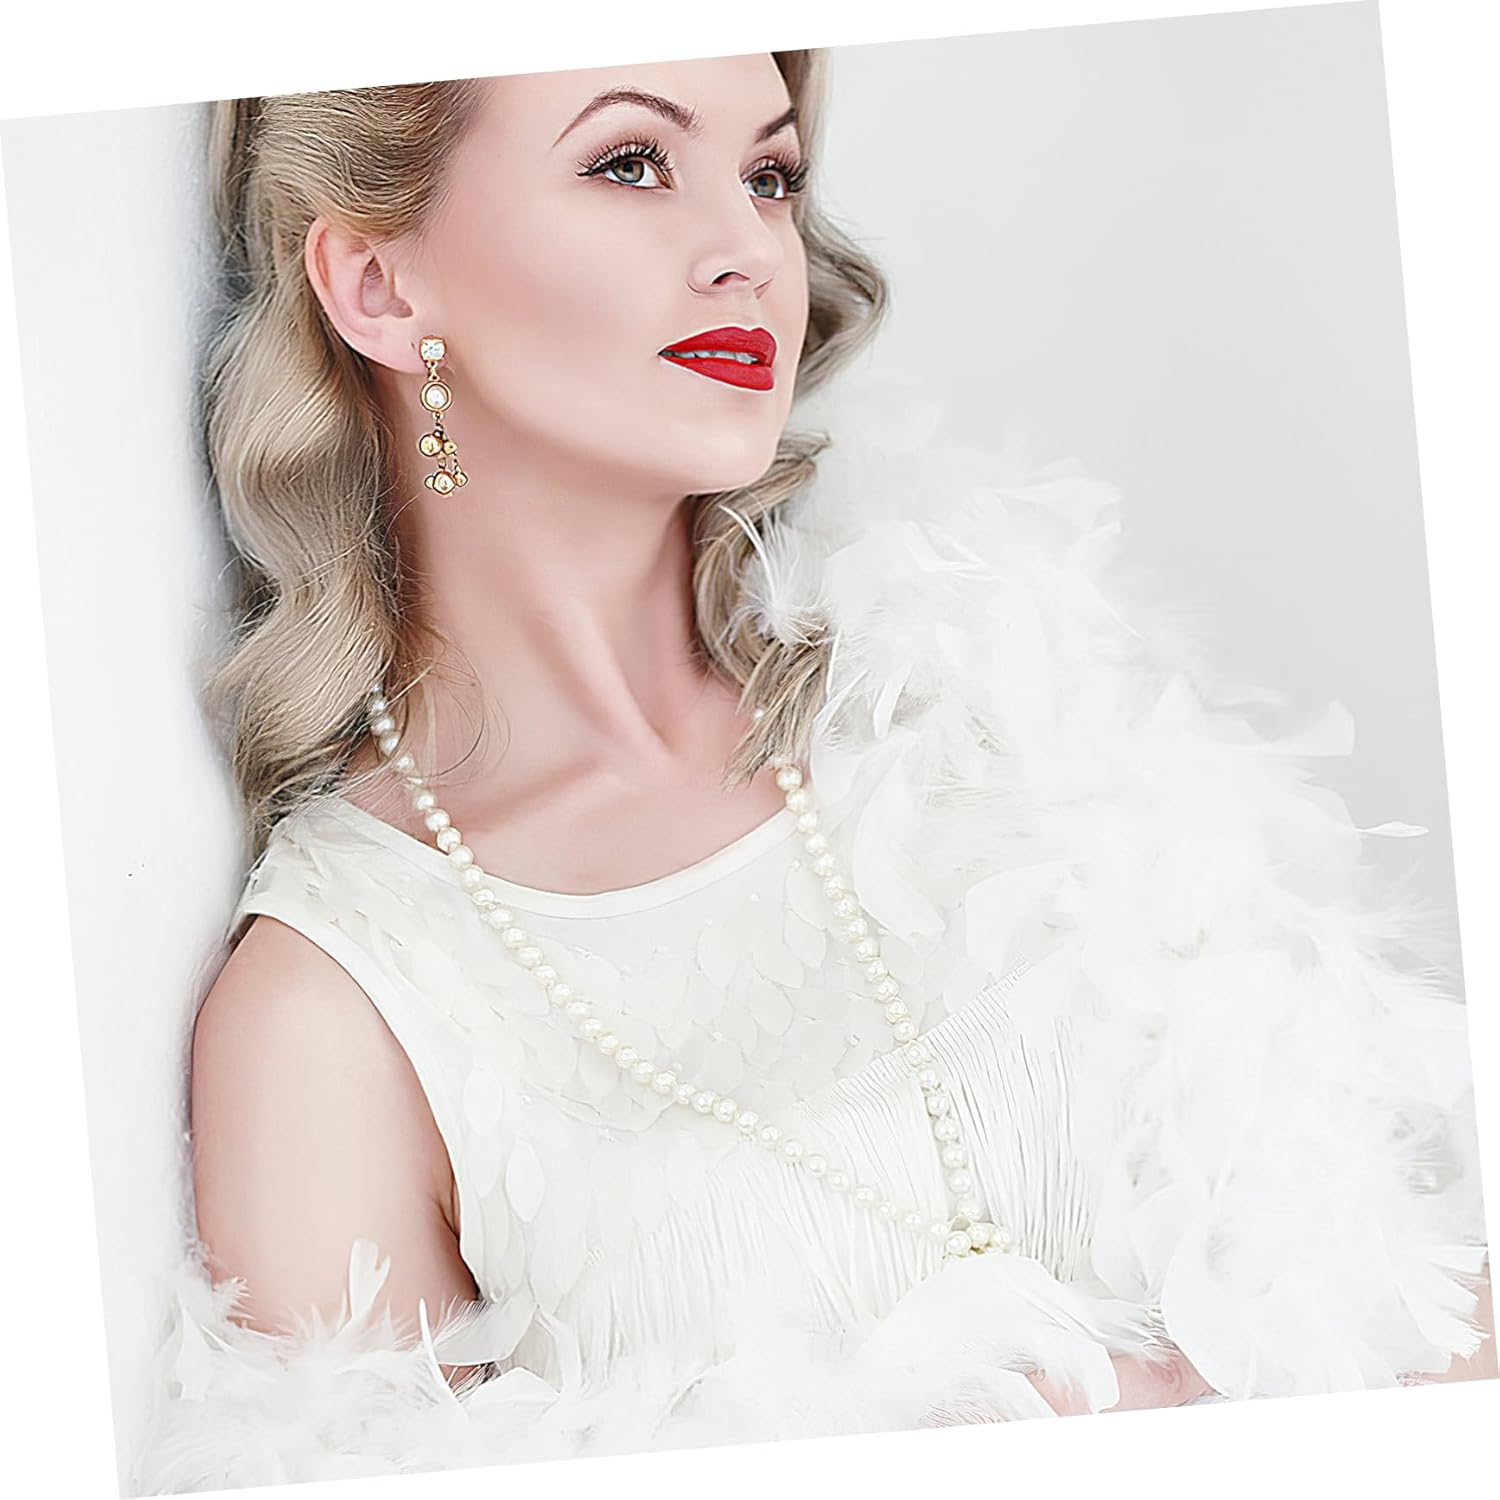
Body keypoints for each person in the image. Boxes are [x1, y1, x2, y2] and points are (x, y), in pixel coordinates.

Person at [138, 49, 1492, 1490]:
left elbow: (1405, 1289)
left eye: (769, 174)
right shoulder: (333, 1011)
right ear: (378, 284)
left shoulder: (996, 682)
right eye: (630, 163)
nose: (748, 248)